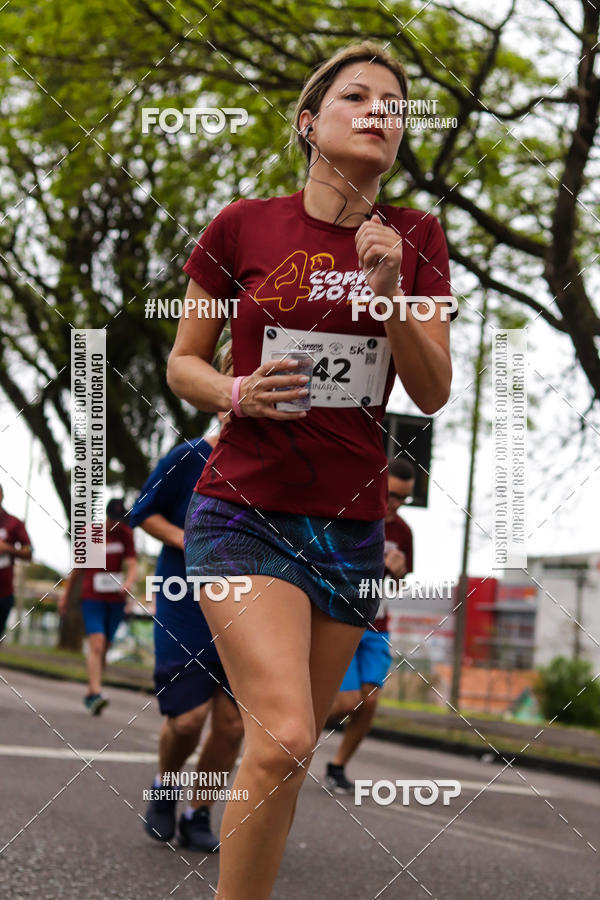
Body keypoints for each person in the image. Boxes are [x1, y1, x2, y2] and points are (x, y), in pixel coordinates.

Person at [167, 40, 457, 900]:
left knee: (282, 756)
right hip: (243, 506)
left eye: (394, 105)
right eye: (357, 96)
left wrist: (389, 287)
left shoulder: (416, 237)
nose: (380, 111)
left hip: (350, 527)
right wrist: (235, 390)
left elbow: (433, 389)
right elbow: (185, 363)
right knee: (289, 733)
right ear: (309, 121)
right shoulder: (241, 225)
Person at [130, 401, 243, 852]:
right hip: (185, 600)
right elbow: (143, 510)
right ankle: (164, 788)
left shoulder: (275, 466)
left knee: (233, 726)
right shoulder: (189, 456)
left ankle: (199, 812)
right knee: (187, 721)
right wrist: (187, 539)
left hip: (247, 603)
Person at [325, 457, 416, 792]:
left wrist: (399, 573)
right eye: (393, 494)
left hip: (378, 625)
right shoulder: (353, 516)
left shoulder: (404, 531)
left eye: (405, 498)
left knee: (370, 703)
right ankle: (286, 733)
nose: (396, 503)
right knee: (347, 703)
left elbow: (398, 584)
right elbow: (331, 571)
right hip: (345, 619)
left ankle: (337, 766)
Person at [59, 499, 137, 714]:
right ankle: (96, 691)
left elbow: (132, 564)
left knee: (105, 648)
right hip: (92, 596)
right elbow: (77, 570)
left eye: (120, 520)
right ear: (106, 516)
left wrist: (129, 582)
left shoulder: (126, 535)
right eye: (113, 519)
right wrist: (65, 597)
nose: (116, 524)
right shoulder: (91, 534)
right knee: (97, 643)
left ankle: (92, 692)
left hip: (115, 600)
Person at [0, 484, 32, 640]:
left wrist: (8, 548)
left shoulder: (13, 523)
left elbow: (29, 553)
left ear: (1, 496)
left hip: (3, 593)